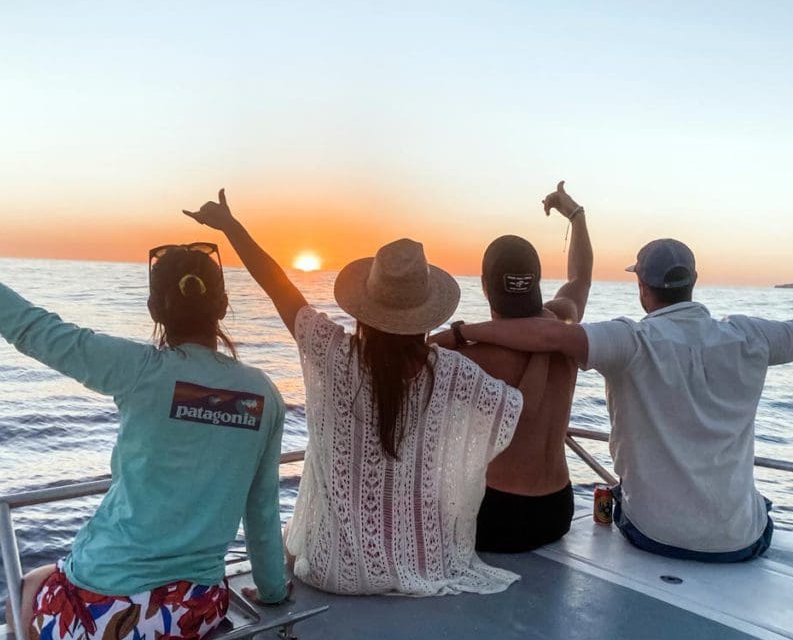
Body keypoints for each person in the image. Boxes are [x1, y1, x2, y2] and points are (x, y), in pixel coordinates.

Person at [0, 199, 289, 640]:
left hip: (88, 634)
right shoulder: (262, 395)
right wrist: (274, 593)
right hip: (191, 614)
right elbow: (261, 512)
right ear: (222, 305)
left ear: (155, 307)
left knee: (31, 582)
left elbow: (29, 327)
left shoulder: (139, 370)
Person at [451, 209, 793, 562]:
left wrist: (454, 334)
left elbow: (547, 335)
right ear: (694, 280)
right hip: (737, 541)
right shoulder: (752, 337)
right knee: (759, 506)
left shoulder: (631, 342)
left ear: (642, 288)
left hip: (646, 533)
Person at [185, 190, 538, 596]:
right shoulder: (452, 372)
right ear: (425, 315)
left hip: (331, 570)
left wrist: (230, 227)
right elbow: (516, 410)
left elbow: (276, 283)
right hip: (422, 564)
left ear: (366, 308)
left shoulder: (332, 352)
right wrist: (547, 347)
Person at [430, 181, 592, 552]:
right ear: (535, 283)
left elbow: (417, 354)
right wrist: (577, 216)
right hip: (556, 509)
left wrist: (458, 333)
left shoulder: (471, 355)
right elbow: (580, 279)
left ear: (485, 287)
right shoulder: (563, 323)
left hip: (498, 515)